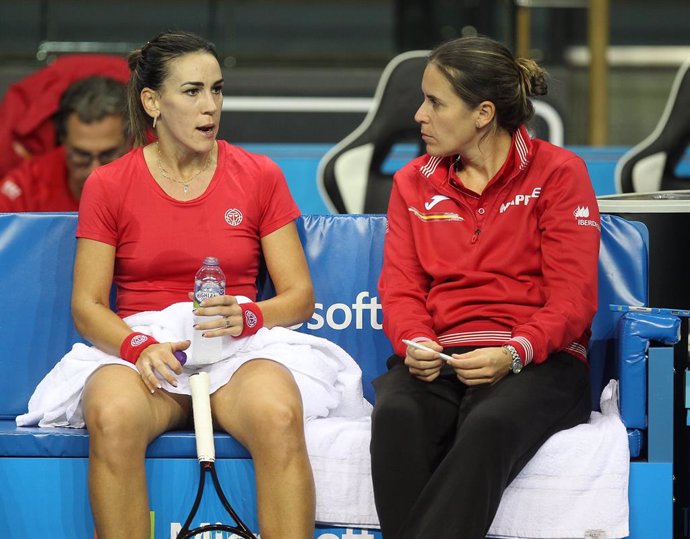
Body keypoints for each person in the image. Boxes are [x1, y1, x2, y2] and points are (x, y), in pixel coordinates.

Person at [16, 31, 332, 539]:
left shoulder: (259, 175)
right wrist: (137, 345)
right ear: (151, 102)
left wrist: (249, 315)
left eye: (217, 89)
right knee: (113, 415)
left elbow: (298, 296)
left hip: (237, 349)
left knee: (277, 414)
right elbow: (89, 304)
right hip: (147, 351)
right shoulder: (110, 184)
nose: (210, 106)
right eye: (192, 91)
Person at [370, 36, 600, 539]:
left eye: (434, 102)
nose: (418, 115)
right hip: (444, 357)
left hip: (538, 361)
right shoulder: (412, 182)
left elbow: (574, 299)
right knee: (395, 416)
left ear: (483, 113)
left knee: (488, 424)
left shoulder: (560, 174)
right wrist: (415, 340)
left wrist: (514, 352)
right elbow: (402, 287)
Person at [0, 76, 129, 212]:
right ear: (64, 142)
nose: (94, 172)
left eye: (108, 154)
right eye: (81, 155)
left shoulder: (151, 177)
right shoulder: (30, 186)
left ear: (130, 142)